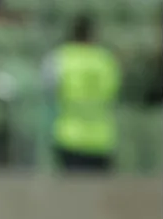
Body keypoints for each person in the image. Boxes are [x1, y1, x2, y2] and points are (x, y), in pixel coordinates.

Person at [42, 14, 122, 173]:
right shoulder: (107, 60)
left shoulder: (59, 58)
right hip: (102, 138)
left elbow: (48, 92)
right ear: (94, 34)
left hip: (69, 136)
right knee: (100, 195)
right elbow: (116, 93)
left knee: (72, 194)